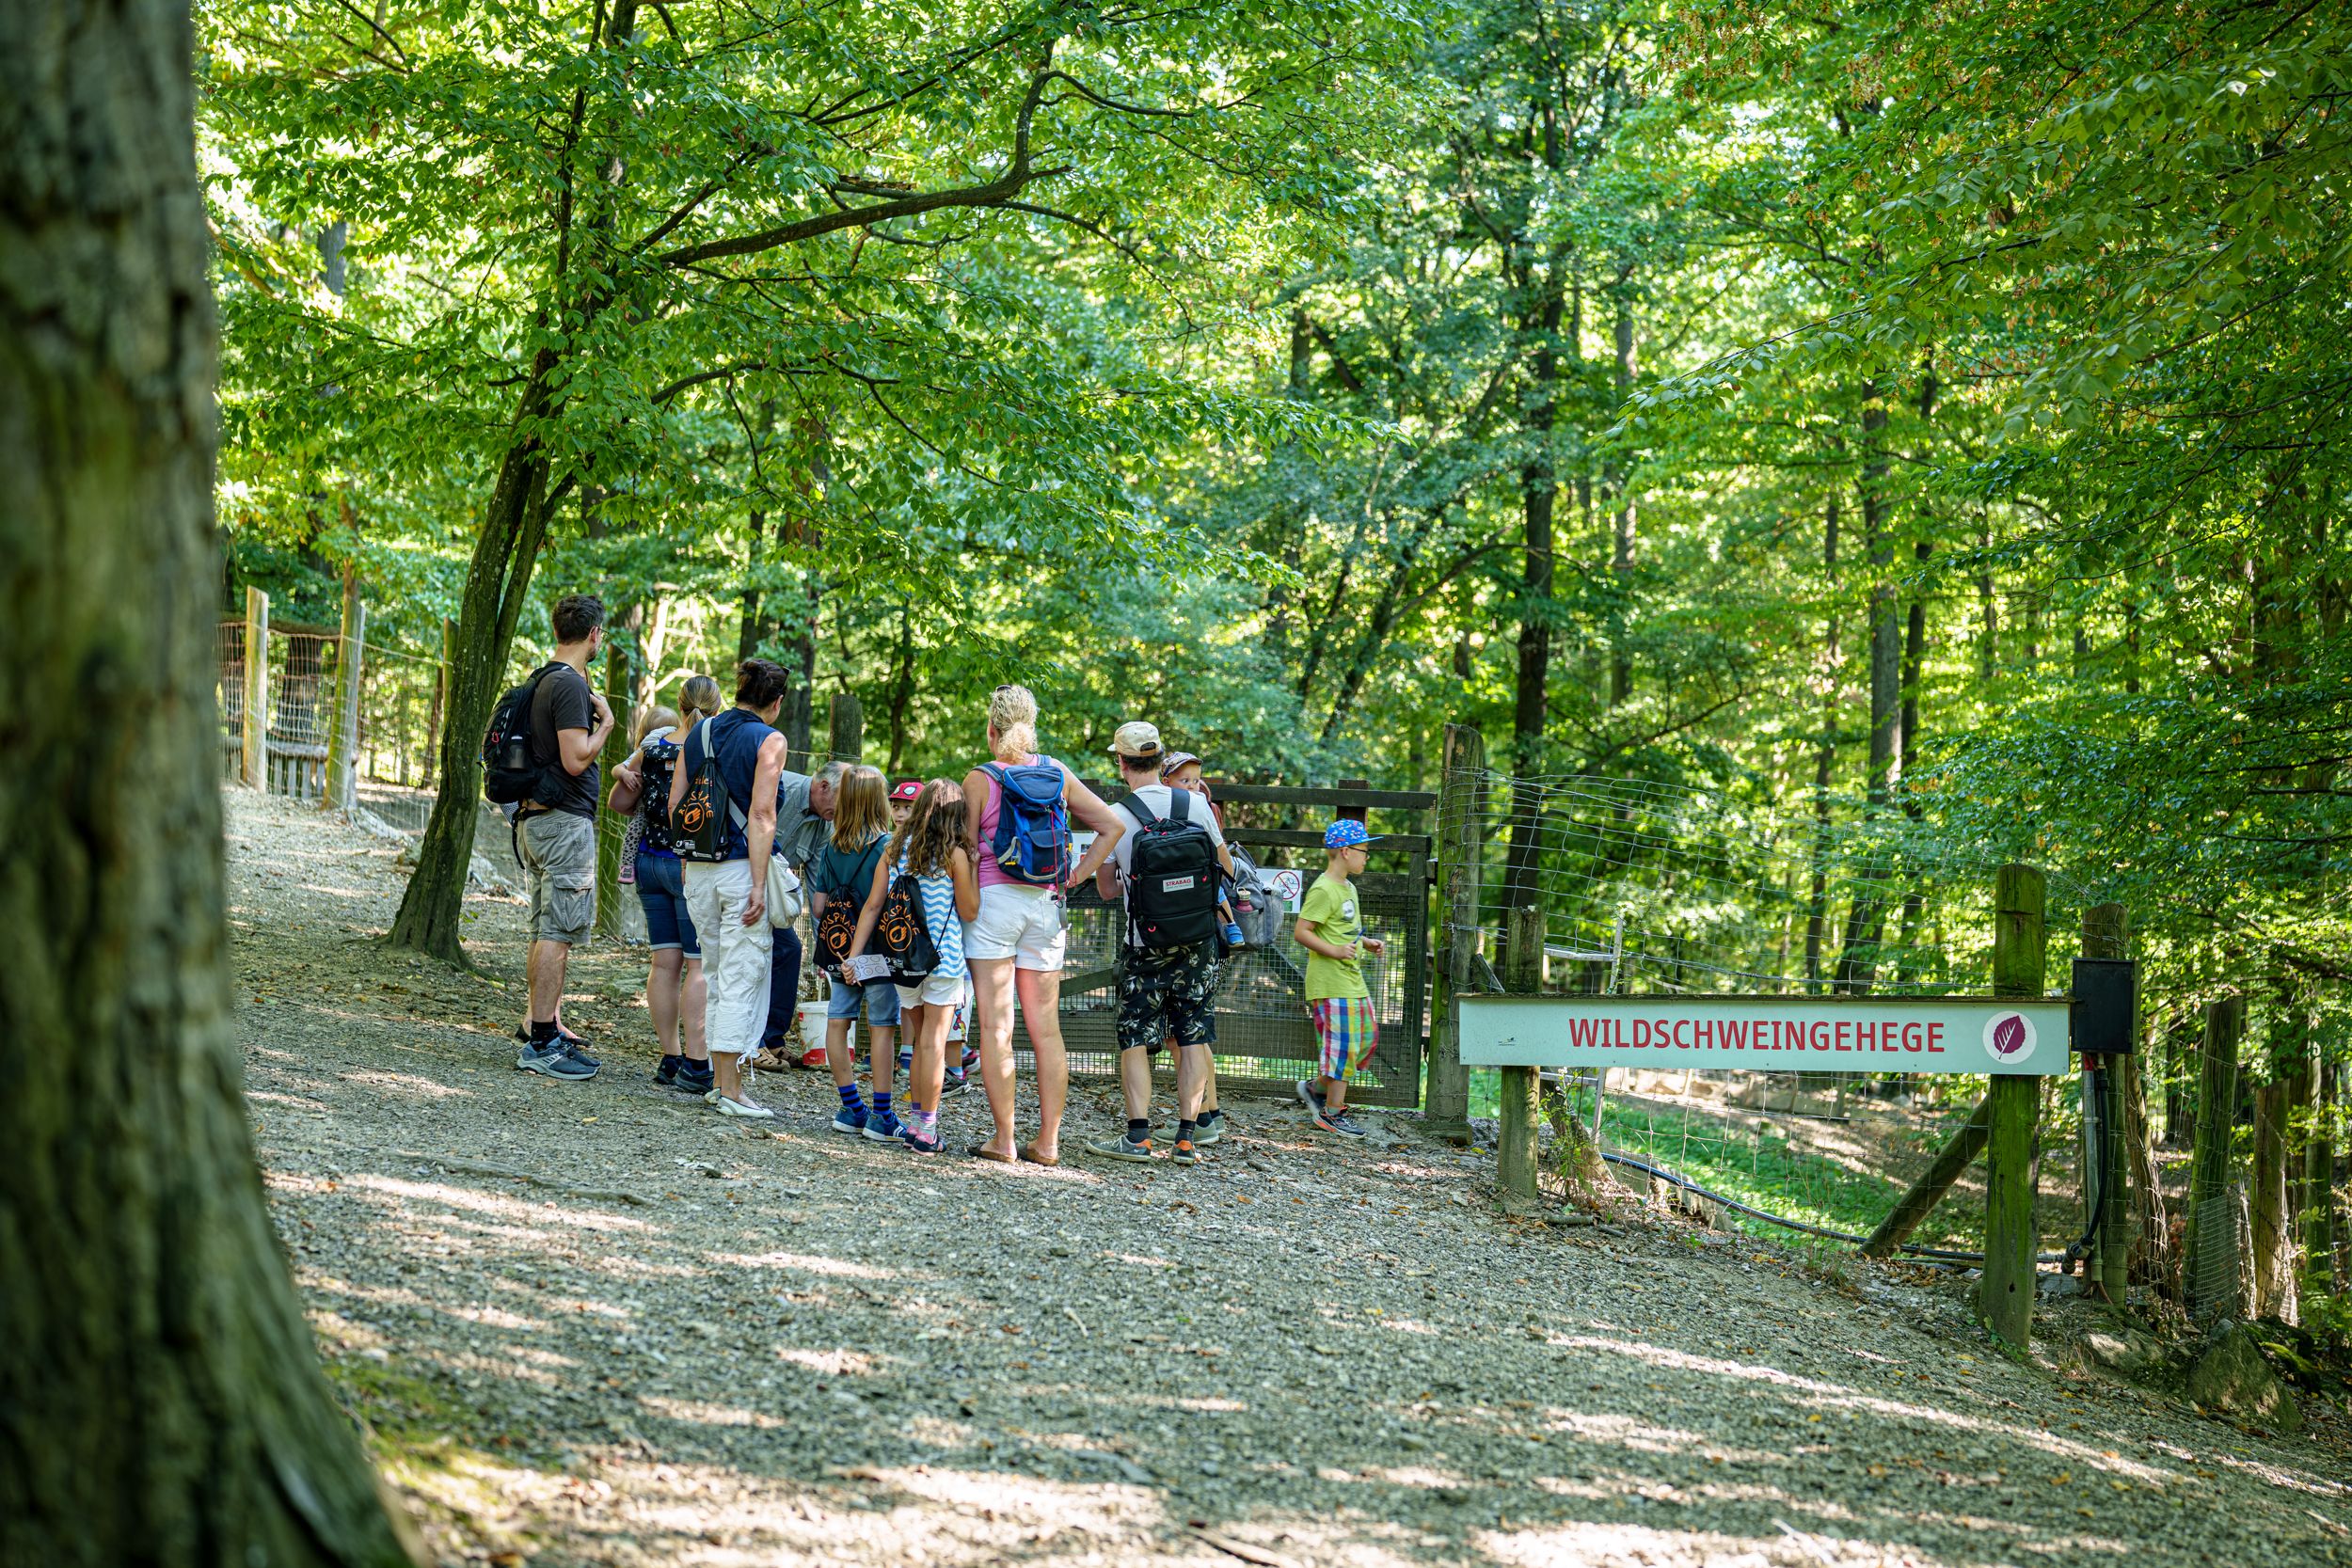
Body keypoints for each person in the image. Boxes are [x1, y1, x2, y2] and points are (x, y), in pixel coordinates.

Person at [961, 684, 1124, 1165]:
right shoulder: (1056, 772)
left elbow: (965, 851)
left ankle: (1004, 1140)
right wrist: (1074, 875)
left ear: (991, 729)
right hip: (1047, 905)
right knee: (1047, 1030)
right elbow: (1111, 826)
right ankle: (1048, 1143)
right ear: (1031, 727)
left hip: (994, 904)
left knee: (996, 1028)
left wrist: (963, 907)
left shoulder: (981, 779)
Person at [1086, 722, 1233, 1165]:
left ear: (1122, 762)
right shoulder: (1195, 804)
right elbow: (1224, 864)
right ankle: (1187, 1139)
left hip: (1144, 944)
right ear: (1160, 758)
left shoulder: (1117, 814)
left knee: (1134, 1038)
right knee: (1191, 1034)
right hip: (1198, 943)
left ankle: (1138, 1137)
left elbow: (1108, 890)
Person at [668, 658, 792, 1118]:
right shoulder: (770, 740)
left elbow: (677, 803)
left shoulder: (698, 732)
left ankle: (721, 1082)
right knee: (742, 974)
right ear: (775, 703)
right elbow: (761, 816)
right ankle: (732, 1090)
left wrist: (687, 859)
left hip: (698, 869)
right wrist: (759, 885)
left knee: (717, 972)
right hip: (741, 869)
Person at [515, 594, 614, 1082]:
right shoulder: (570, 686)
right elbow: (576, 758)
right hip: (563, 822)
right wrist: (608, 727)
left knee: (543, 927)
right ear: (593, 634)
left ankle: (541, 1026)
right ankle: (541, 1044)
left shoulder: (540, 679)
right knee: (558, 931)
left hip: (536, 819)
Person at [847, 780, 977, 1155]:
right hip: (942, 960)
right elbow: (969, 911)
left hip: (902, 960)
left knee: (919, 1043)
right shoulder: (955, 854)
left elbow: (872, 906)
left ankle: (917, 1121)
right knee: (936, 1042)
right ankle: (927, 1129)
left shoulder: (894, 850)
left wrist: (854, 957)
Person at [605, 685, 716, 1096]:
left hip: (648, 861)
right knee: (698, 964)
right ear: (716, 708)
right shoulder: (709, 748)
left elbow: (618, 800)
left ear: (682, 706)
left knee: (663, 963)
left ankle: (670, 1056)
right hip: (687, 865)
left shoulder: (653, 746)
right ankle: (697, 1061)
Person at [810, 765, 900, 1137]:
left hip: (839, 946)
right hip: (878, 951)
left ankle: (850, 1108)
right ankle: (881, 1115)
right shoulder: (888, 847)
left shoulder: (831, 846)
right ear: (880, 801)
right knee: (881, 1028)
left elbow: (817, 907)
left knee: (838, 1020)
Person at [1159, 750, 1240, 1144]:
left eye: (1196, 780)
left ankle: (1203, 1117)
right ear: (1167, 780)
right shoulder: (1183, 812)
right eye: (1183, 779)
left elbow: (1224, 865)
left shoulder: (1196, 812)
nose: (1191, 786)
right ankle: (1211, 1111)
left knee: (1184, 1033)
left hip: (1199, 928)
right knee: (1193, 1030)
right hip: (1196, 926)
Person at [1295, 818, 1385, 1138]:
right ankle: (1331, 1113)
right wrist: (1333, 951)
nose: (1367, 856)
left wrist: (1365, 942)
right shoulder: (1323, 889)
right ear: (1346, 851)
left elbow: (1347, 932)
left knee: (1365, 1040)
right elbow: (1301, 932)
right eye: (1364, 851)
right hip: (1330, 983)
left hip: (1352, 981)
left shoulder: (1349, 888)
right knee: (1343, 1046)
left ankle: (1315, 1088)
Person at [764, 758, 844, 1070]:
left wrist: (827, 950)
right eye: (843, 800)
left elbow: (818, 888)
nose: (845, 809)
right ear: (823, 787)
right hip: (741, 881)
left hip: (773, 894)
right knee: (757, 953)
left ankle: (773, 1039)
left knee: (791, 948)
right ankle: (751, 1043)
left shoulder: (826, 824)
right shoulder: (779, 787)